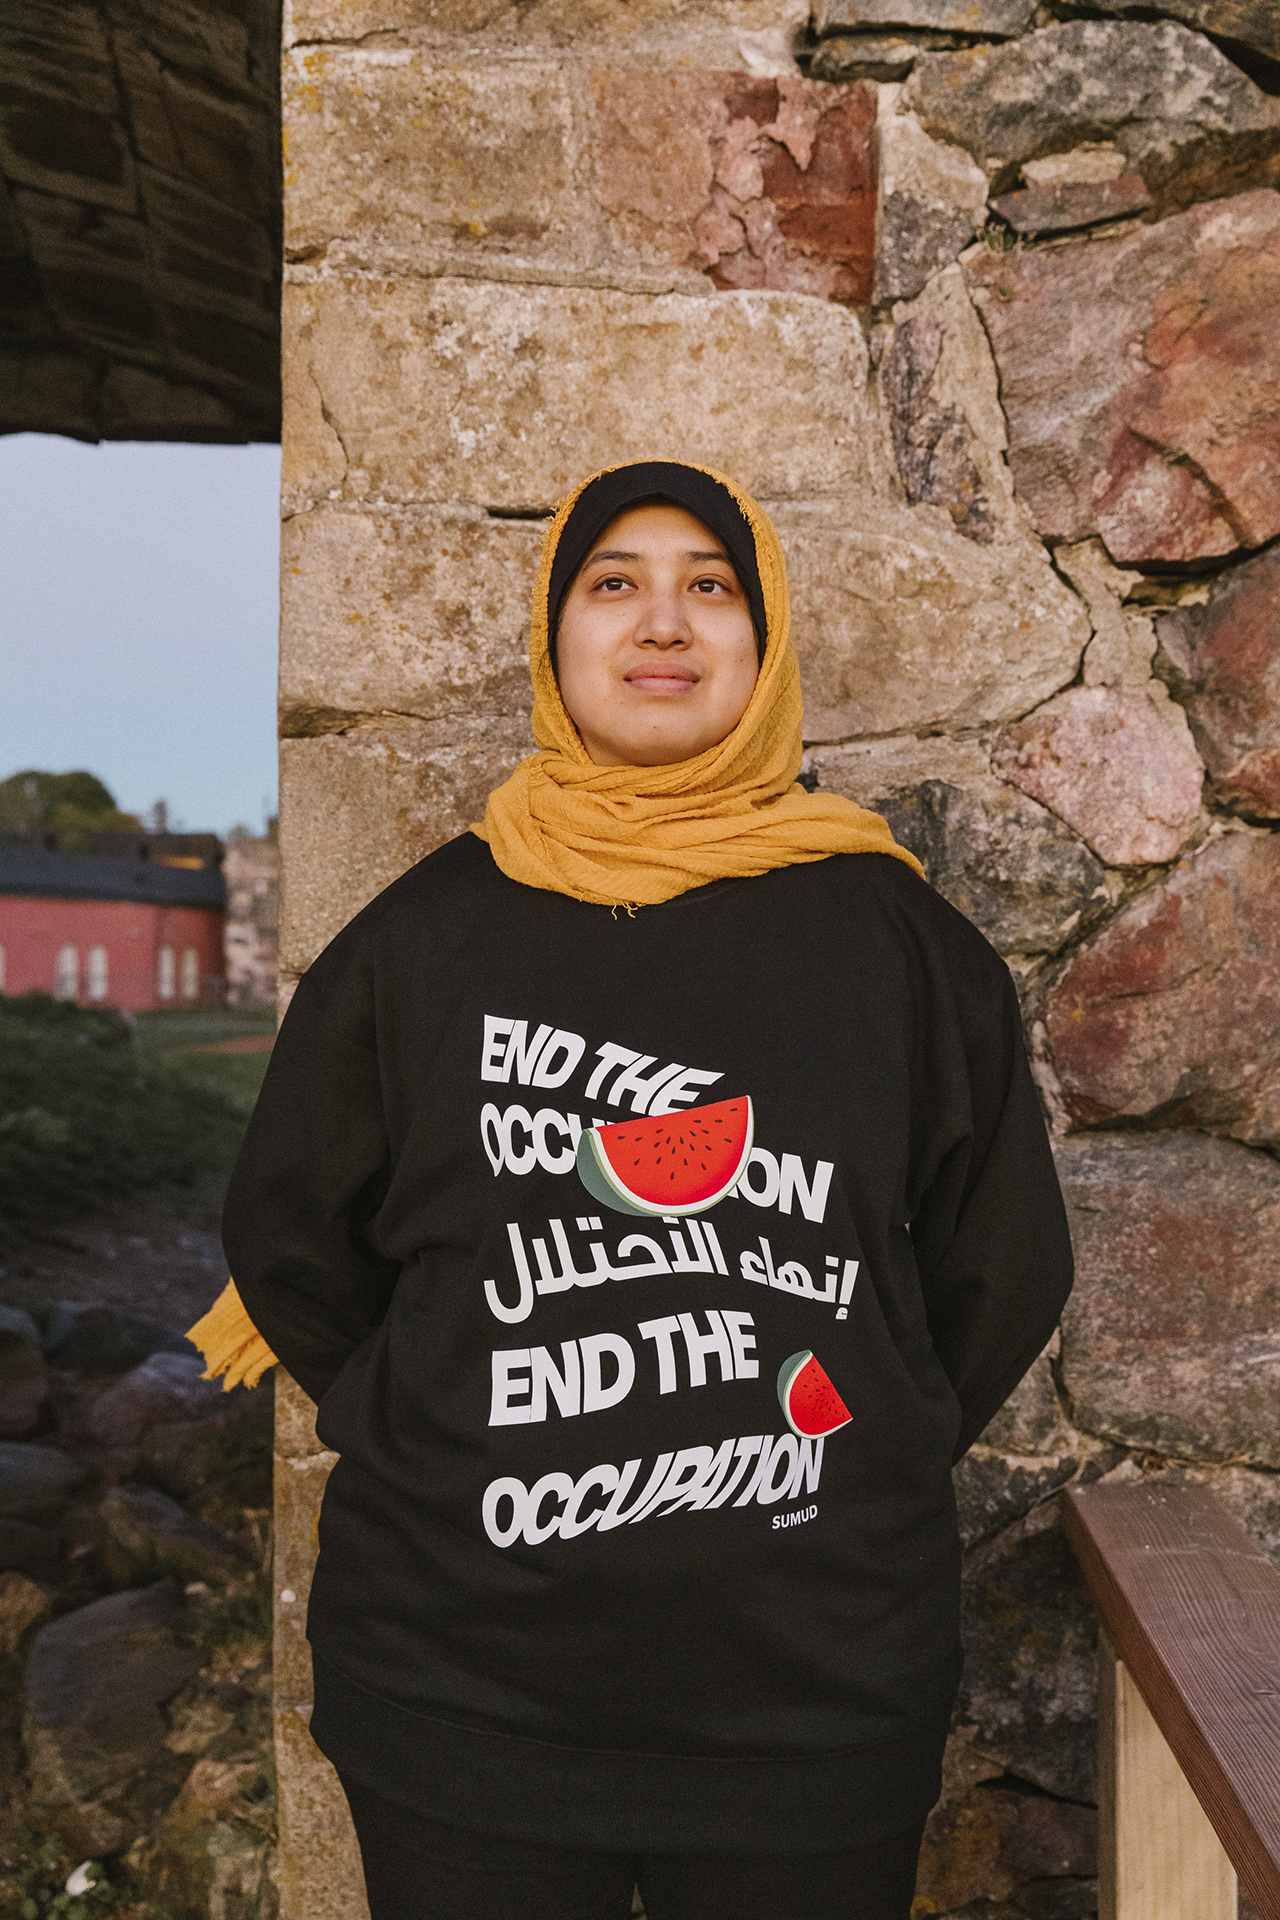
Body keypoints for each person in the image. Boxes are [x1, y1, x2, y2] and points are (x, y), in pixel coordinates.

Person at [194, 460, 1074, 1920]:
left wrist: (870, 1442)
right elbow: (289, 1235)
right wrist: (419, 1425)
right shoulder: (427, 936)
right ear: (558, 639)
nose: (662, 621)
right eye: (615, 582)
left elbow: (1001, 1270)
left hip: (812, 1705)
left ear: (763, 639)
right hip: (462, 1701)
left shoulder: (902, 946)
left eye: (708, 585)